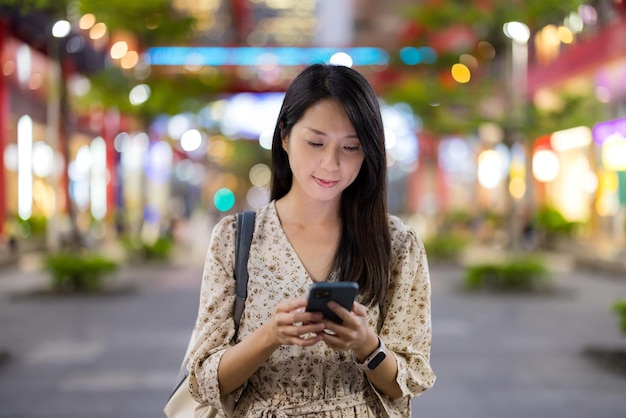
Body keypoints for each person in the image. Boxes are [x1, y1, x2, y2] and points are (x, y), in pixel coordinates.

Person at [187, 63, 436, 417]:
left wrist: (367, 344)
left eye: (351, 147)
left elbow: (409, 381)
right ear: (285, 137)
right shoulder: (236, 237)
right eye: (316, 142)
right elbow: (203, 379)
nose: (330, 163)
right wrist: (270, 335)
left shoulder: (397, 244)